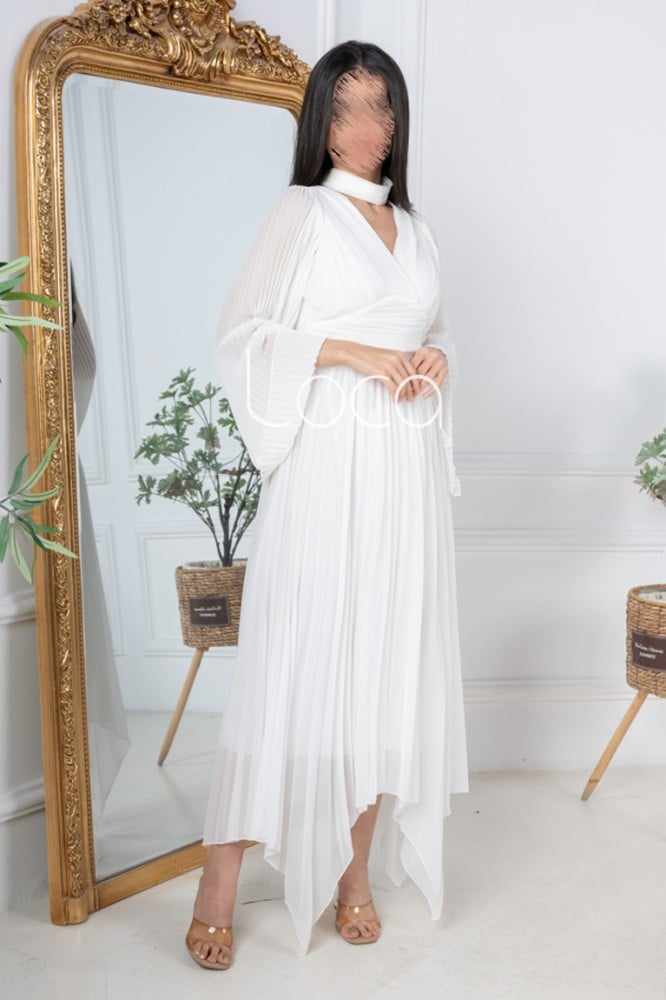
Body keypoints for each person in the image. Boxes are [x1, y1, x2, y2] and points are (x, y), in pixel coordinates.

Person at [185, 39, 469, 970]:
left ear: (398, 119)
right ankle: (218, 885)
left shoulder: (417, 229)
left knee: (383, 664)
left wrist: (435, 358)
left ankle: (353, 876)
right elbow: (241, 333)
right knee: (291, 659)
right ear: (321, 122)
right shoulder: (301, 212)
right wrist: (346, 352)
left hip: (403, 472)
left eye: (380, 106)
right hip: (327, 465)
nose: (365, 127)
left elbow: (434, 330)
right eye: (345, 108)